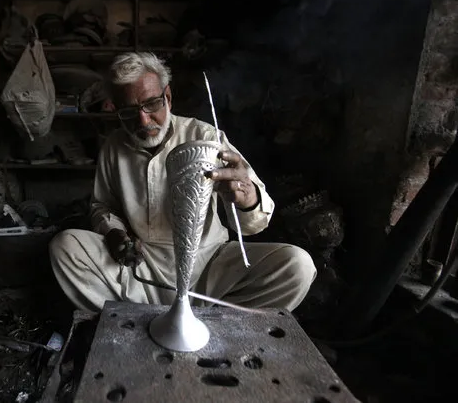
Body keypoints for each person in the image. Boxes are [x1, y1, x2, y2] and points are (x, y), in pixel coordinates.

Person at [49, 52, 316, 313]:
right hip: (141, 268)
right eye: (128, 112)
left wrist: (247, 198)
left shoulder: (205, 136)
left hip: (210, 264)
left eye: (151, 104)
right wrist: (114, 232)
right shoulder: (113, 148)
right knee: (65, 248)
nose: (143, 120)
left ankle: (194, 320)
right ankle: (142, 319)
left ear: (167, 97)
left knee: (296, 266)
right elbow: (102, 206)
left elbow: (253, 224)